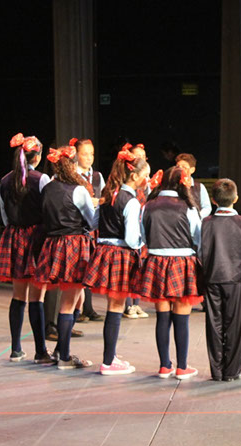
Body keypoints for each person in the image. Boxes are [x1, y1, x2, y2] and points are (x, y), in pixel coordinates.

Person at [83, 145, 150, 375]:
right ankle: (108, 361)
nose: (146, 180)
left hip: (104, 252)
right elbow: (131, 239)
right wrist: (143, 242)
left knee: (114, 306)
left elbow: (92, 223)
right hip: (121, 254)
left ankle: (110, 356)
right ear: (135, 176)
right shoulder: (130, 201)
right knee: (116, 307)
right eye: (145, 176)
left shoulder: (108, 195)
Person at [133, 166, 203, 380]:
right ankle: (182, 367)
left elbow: (142, 235)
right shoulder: (187, 206)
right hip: (182, 262)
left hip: (156, 261)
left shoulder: (148, 205)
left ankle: (164, 366)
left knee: (162, 317)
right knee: (182, 318)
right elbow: (198, 237)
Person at [33, 144, 97, 370]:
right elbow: (91, 220)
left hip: (52, 244)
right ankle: (65, 357)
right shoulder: (78, 190)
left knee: (76, 299)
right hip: (74, 245)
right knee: (69, 303)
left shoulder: (48, 188)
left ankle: (61, 349)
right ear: (72, 165)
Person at [0, 133, 53, 364]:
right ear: (37, 156)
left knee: (18, 296)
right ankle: (40, 351)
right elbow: (48, 210)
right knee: (37, 298)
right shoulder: (42, 179)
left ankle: (16, 349)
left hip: (15, 236)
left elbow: (4, 215)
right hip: (37, 238)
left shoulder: (5, 181)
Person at [200, 179, 241, 381]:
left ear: (213, 200)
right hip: (236, 278)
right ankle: (232, 370)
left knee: (214, 324)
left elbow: (201, 251)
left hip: (212, 277)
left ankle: (217, 370)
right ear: (236, 198)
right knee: (235, 325)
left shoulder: (206, 222)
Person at [72, 137, 105, 323]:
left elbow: (105, 196)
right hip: (78, 225)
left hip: (94, 226)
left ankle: (89, 308)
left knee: (91, 266)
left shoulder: (97, 176)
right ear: (76, 155)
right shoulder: (72, 176)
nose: (89, 158)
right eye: (84, 154)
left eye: (91, 154)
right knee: (79, 267)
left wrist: (99, 202)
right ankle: (77, 309)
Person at [122, 143, 152, 320]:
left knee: (140, 267)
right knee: (129, 268)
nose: (141, 158)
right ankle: (128, 305)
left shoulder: (145, 180)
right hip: (130, 226)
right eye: (137, 155)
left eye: (143, 155)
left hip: (142, 224)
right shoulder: (127, 185)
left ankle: (136, 303)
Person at [175, 153, 212, 219]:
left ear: (192, 170)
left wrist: (197, 217)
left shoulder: (199, 187)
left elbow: (207, 207)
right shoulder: (173, 185)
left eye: (184, 167)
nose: (180, 170)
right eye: (178, 167)